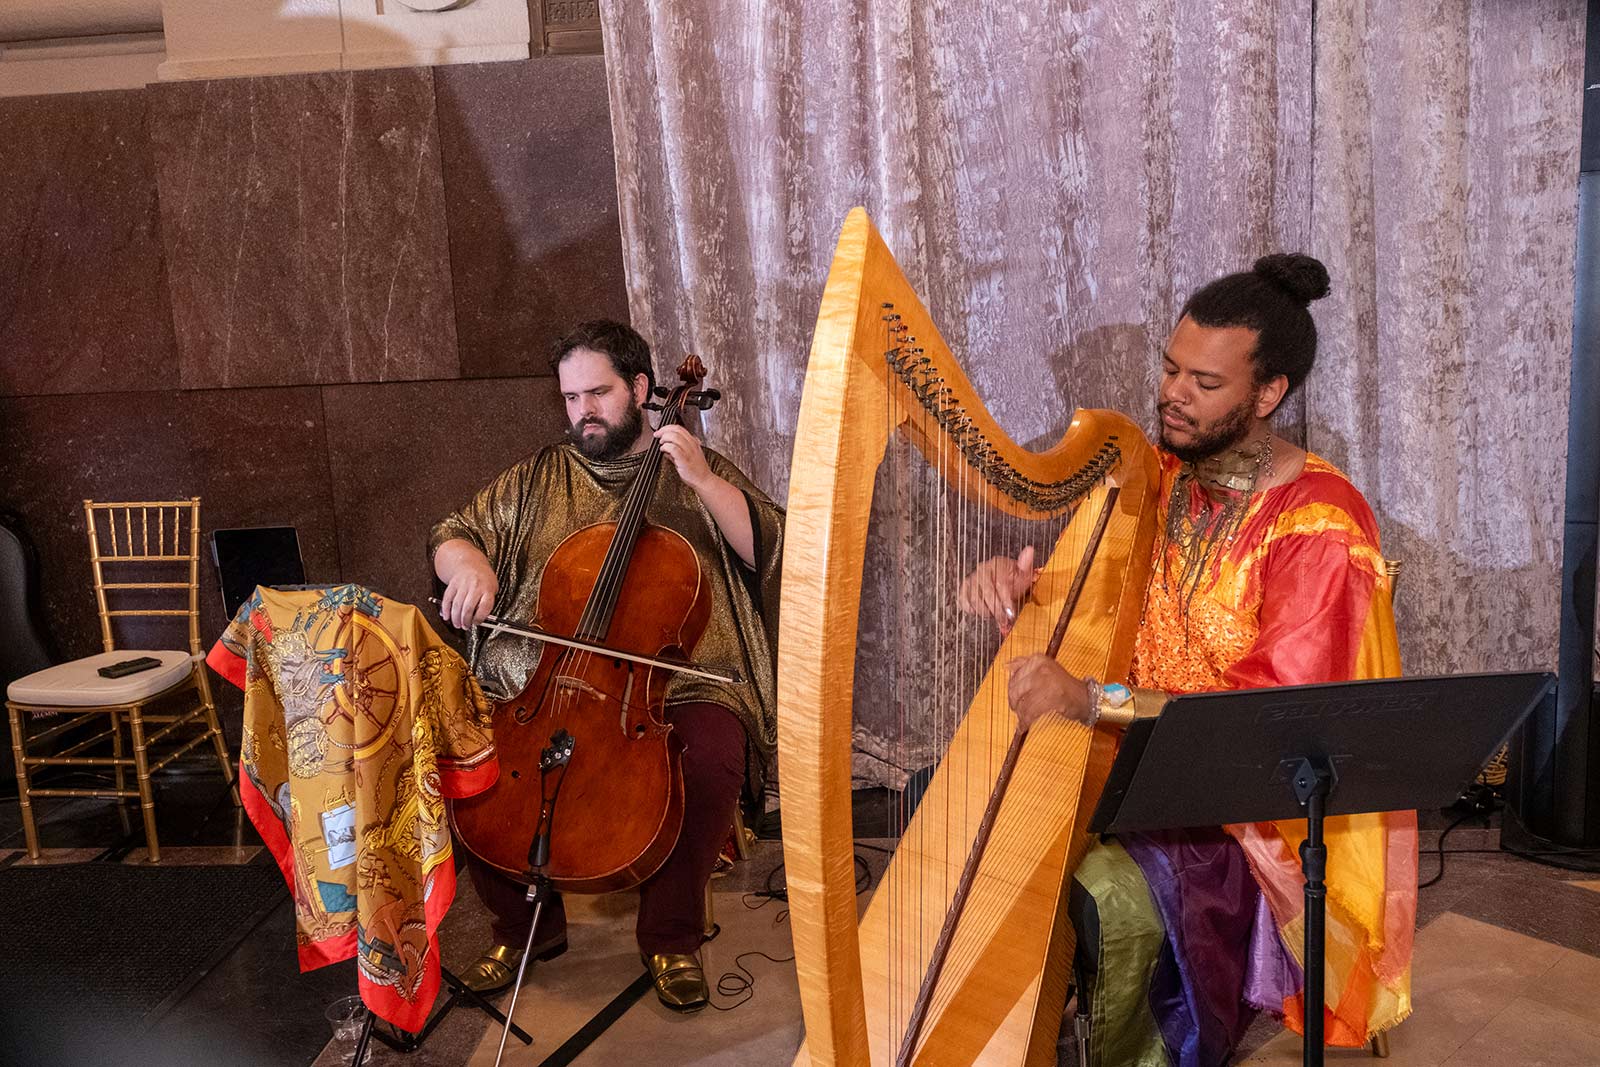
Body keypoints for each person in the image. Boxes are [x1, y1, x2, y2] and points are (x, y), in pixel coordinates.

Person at [959, 255, 1415, 1066]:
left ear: (1267, 394)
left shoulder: (1319, 527)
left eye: (1204, 382)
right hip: (1132, 759)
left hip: (1247, 814)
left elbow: (1262, 729)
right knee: (962, 812)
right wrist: (1017, 592)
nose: (1173, 392)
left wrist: (1091, 699)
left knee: (1111, 895)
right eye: (1170, 368)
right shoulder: (1155, 478)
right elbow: (1091, 623)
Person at [429, 319, 784, 1012]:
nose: (582, 411)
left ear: (642, 389)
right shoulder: (538, 477)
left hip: (675, 676)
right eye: (570, 398)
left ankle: (672, 935)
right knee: (469, 753)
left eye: (598, 393)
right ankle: (525, 929)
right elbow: (452, 532)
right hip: (546, 672)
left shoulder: (689, 465)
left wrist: (706, 482)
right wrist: (467, 563)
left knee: (712, 753)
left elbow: (768, 547)